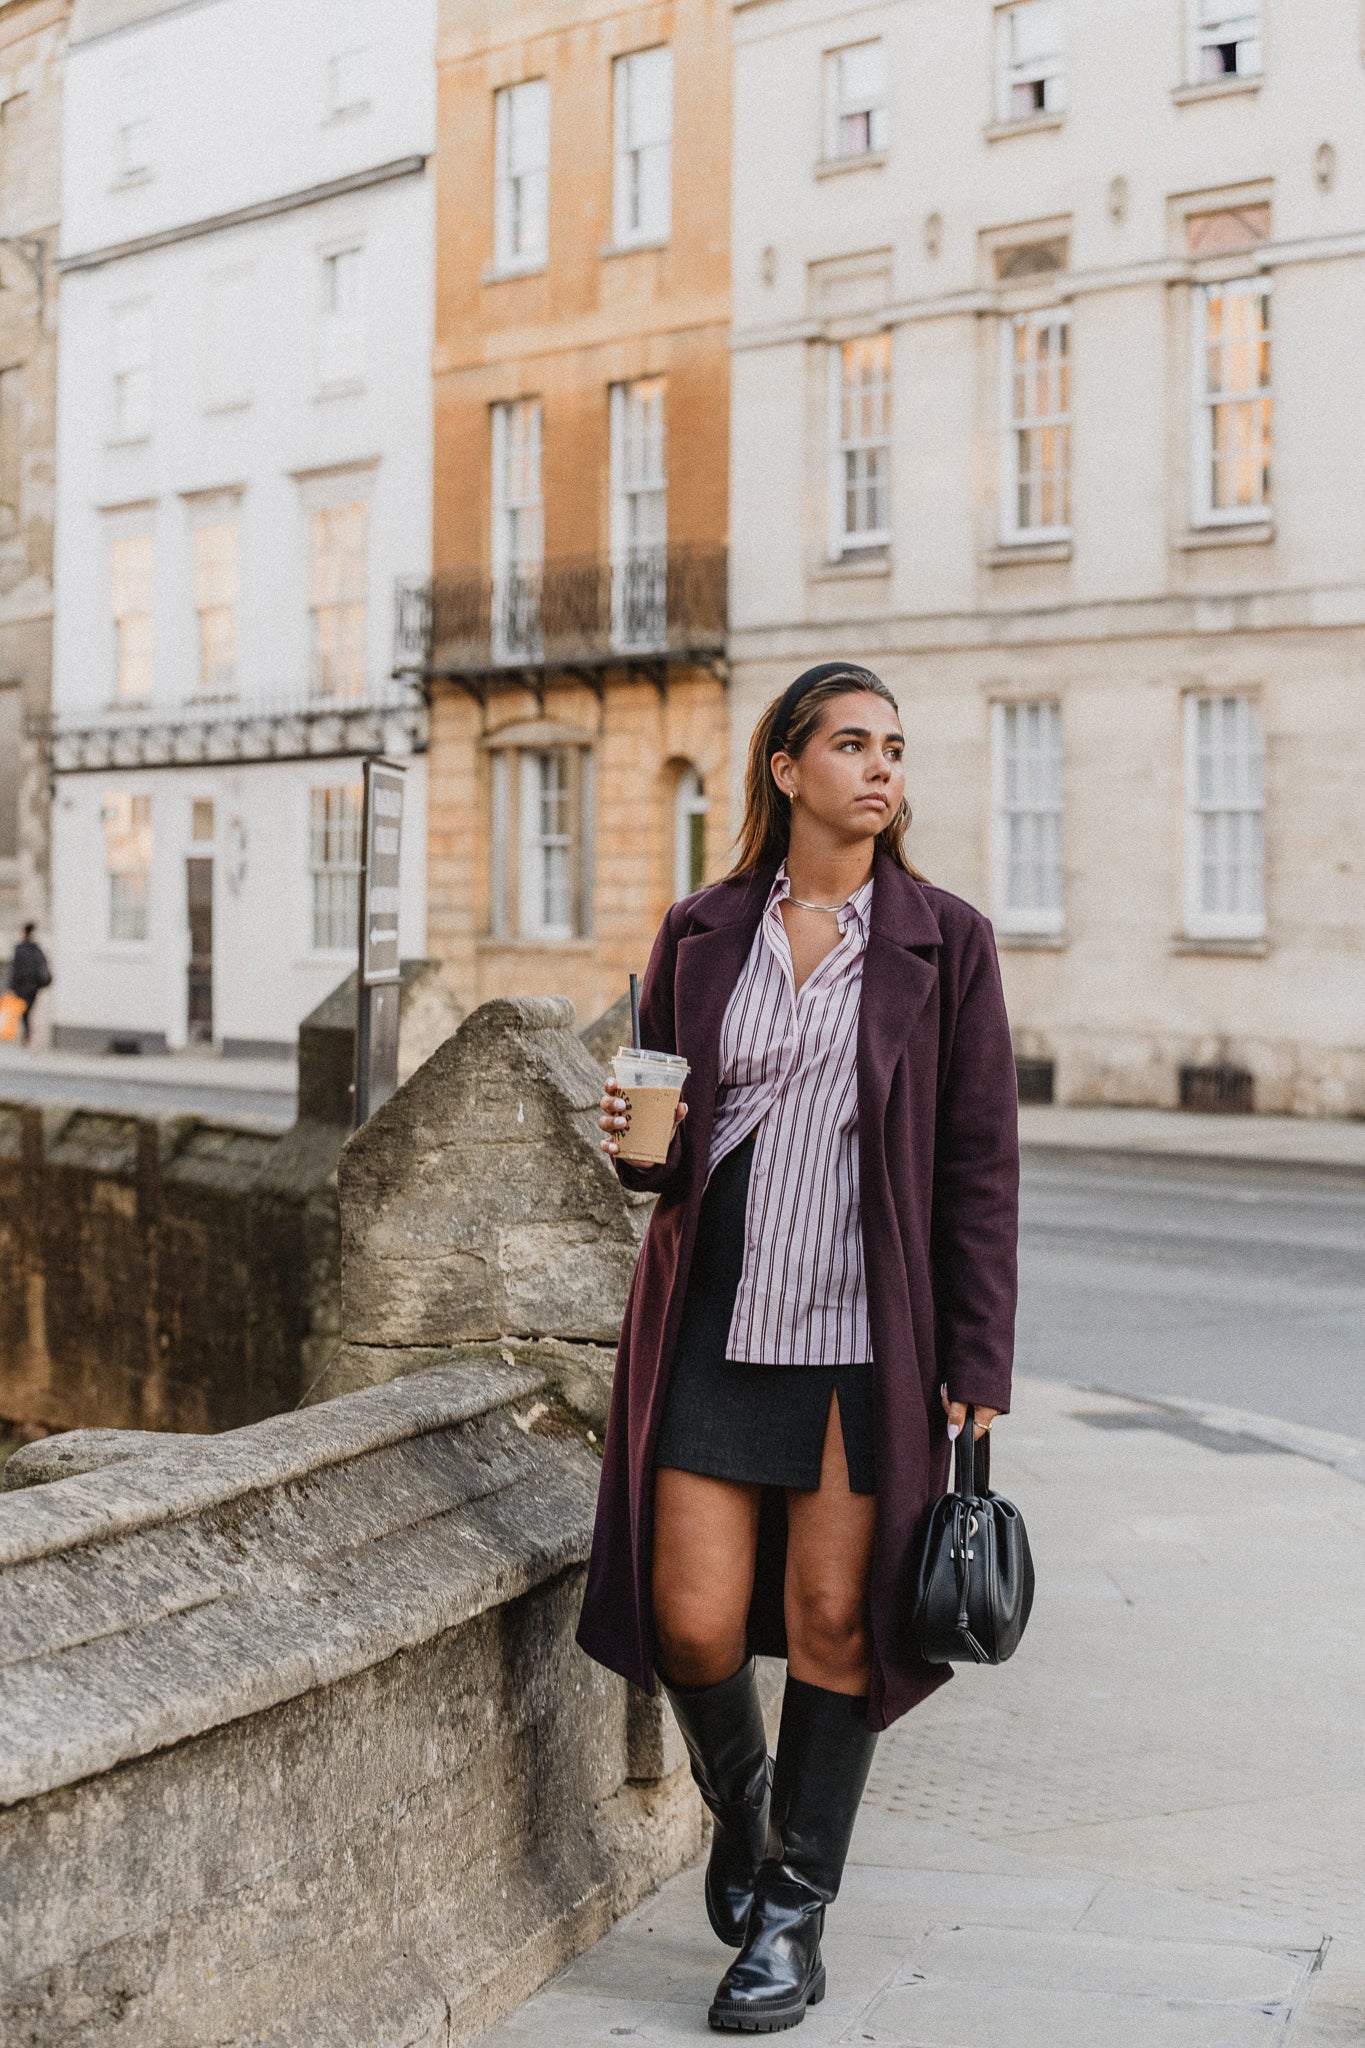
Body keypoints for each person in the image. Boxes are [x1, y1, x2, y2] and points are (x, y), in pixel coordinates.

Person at [576, 663, 1019, 2033]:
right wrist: (631, 1146)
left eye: (893, 747)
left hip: (858, 1336)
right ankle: (747, 1800)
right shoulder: (699, 932)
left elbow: (977, 1166)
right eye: (848, 744)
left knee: (834, 1623)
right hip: (712, 1320)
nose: (879, 769)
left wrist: (977, 1366)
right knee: (695, 1618)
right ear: (784, 769)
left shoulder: (948, 941)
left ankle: (790, 1915)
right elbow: (666, 1132)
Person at [6, 924, 51, 1045]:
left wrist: (11, 986)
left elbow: (15, 969)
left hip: (26, 986)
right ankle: (27, 1035)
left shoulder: (24, 949)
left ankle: (27, 1035)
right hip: (30, 986)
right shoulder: (35, 949)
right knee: (26, 1011)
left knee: (25, 1011)